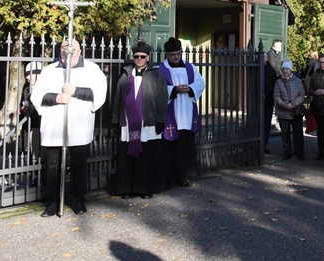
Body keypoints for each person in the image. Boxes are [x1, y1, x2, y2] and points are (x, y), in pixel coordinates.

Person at [31, 39, 107, 216]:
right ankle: (53, 202)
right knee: (53, 166)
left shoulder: (92, 70)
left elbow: (99, 94)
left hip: (79, 125)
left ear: (79, 52)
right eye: (64, 52)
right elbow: (37, 96)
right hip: (55, 125)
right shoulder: (49, 71)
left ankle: (79, 200)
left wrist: (75, 91)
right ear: (60, 52)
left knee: (79, 165)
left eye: (71, 52)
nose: (67, 56)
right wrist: (56, 98)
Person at [111, 41, 168, 199]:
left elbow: (162, 98)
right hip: (128, 122)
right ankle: (127, 189)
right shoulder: (126, 74)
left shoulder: (156, 75)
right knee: (128, 157)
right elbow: (117, 99)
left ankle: (145, 189)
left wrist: (160, 120)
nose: (139, 59)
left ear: (148, 58)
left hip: (147, 122)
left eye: (142, 57)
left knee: (146, 157)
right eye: (136, 56)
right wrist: (116, 120)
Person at [159, 37, 205, 188]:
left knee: (184, 146)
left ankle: (183, 176)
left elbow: (200, 83)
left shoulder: (190, 67)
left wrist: (190, 88)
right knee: (169, 147)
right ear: (167, 54)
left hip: (186, 112)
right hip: (171, 113)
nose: (176, 57)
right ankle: (168, 176)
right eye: (172, 54)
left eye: (178, 54)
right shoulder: (161, 69)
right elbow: (157, 88)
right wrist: (173, 89)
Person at [273, 60, 306, 161]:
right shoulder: (278, 82)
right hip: (283, 112)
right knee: (285, 134)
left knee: (298, 133)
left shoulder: (297, 81)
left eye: (287, 69)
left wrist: (294, 104)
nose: (285, 71)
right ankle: (287, 153)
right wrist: (285, 105)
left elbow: (302, 94)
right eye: (283, 69)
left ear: (291, 70)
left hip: (296, 112)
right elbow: (276, 96)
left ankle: (300, 152)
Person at [19, 62, 43, 173]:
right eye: (26, 74)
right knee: (32, 151)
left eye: (30, 74)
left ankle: (41, 174)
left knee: (41, 152)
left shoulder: (45, 87)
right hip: (30, 124)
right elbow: (22, 104)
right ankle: (34, 174)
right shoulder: (26, 88)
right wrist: (22, 109)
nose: (27, 77)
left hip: (41, 124)